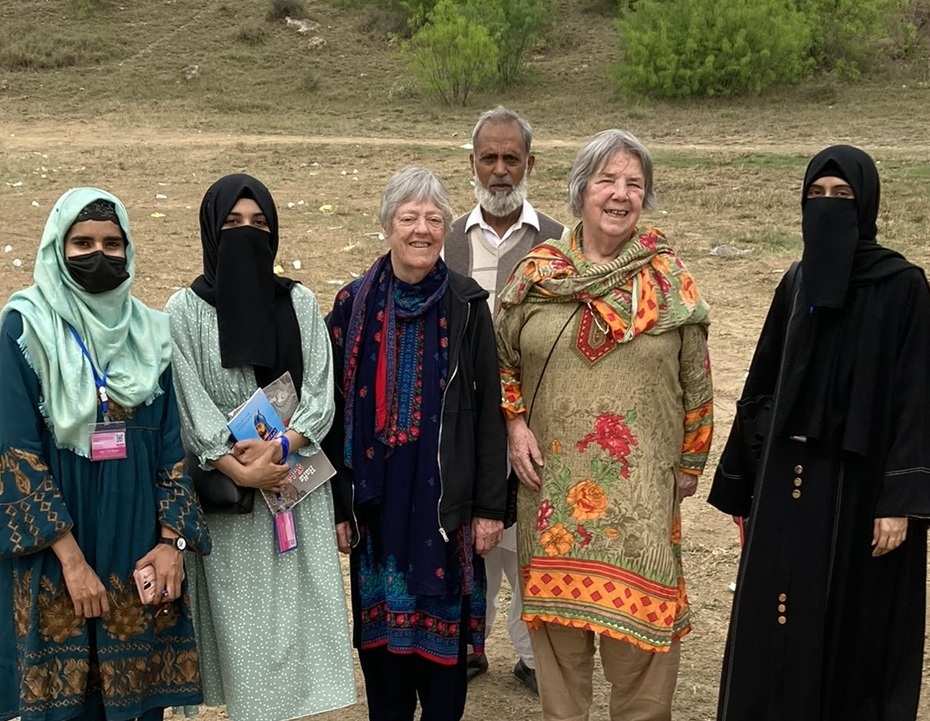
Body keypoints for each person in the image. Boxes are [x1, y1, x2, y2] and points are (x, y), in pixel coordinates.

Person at [497, 129, 713, 721]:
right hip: (552, 495)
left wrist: (690, 461)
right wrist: (515, 425)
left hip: (639, 502)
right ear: (580, 191)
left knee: (642, 660)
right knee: (560, 671)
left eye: (634, 184)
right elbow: (500, 364)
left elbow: (697, 379)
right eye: (607, 181)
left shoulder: (668, 280)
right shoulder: (538, 273)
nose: (620, 194)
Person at [708, 146, 930, 721]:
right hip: (787, 483)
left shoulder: (903, 286)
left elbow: (916, 400)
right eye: (817, 196)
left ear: (868, 204)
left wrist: (900, 501)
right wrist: (744, 487)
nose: (827, 207)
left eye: (842, 197)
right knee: (778, 621)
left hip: (862, 492)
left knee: (853, 628)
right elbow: (761, 385)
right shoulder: (798, 280)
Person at [0, 188, 210, 721]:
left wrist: (171, 544)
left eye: (113, 243)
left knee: (136, 708)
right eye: (84, 242)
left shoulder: (151, 332)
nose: (101, 254)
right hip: (57, 557)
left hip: (135, 547)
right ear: (57, 248)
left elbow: (171, 449)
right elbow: (15, 453)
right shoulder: (24, 328)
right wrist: (70, 563)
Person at [165, 174, 355, 721]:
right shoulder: (185, 310)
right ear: (209, 231)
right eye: (232, 225)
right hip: (232, 496)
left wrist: (285, 443)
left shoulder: (298, 301)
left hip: (294, 485)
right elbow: (189, 398)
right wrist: (236, 466)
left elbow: (321, 391)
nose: (247, 234)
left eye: (259, 224)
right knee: (242, 626)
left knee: (295, 621)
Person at [324, 166, 508, 721]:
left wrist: (489, 509)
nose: (422, 230)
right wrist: (337, 505)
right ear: (388, 226)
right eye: (409, 218)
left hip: (444, 511)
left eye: (433, 218)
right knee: (383, 666)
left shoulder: (467, 303)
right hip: (377, 512)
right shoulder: (352, 305)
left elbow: (489, 414)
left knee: (445, 677)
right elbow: (329, 412)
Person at [444, 105, 563, 692]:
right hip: (463, 425)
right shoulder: (442, 242)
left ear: (529, 165)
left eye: (510, 159)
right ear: (471, 163)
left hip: (531, 423)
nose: (499, 170)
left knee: (525, 545)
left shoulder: (561, 244)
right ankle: (466, 644)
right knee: (472, 540)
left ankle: (536, 658)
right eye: (487, 158)